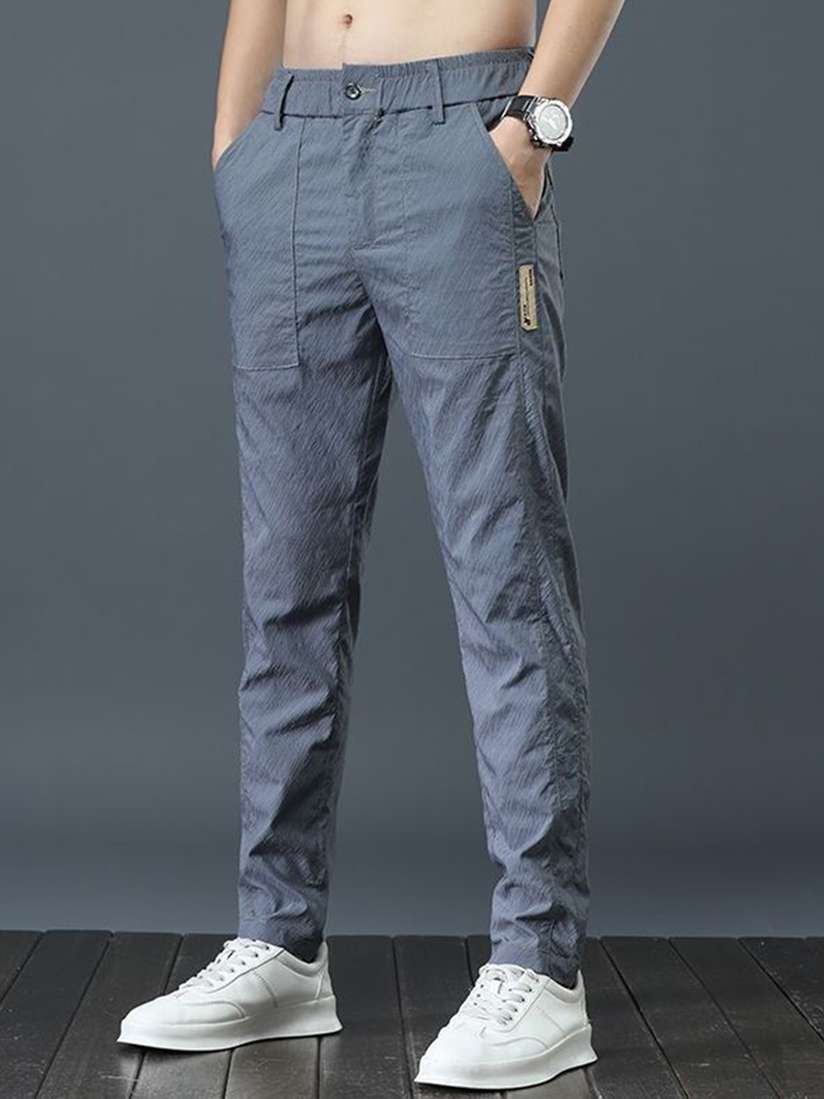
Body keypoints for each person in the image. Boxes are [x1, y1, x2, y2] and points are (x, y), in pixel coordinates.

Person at [118, 0, 624, 1087]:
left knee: (506, 577)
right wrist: (236, 146)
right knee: (285, 585)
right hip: (289, 146)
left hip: (462, 138)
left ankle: (539, 961)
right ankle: (278, 940)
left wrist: (530, 125)